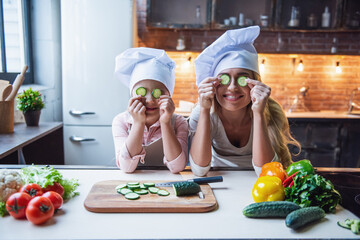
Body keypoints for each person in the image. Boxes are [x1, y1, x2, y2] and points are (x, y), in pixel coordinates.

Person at [189, 26, 300, 176]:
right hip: (219, 182)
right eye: (225, 78)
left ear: (254, 83)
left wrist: (259, 114)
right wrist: (204, 110)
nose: (233, 87)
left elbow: (265, 171)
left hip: (260, 185)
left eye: (242, 79)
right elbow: (199, 169)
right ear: (214, 84)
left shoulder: (270, 111)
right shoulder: (203, 112)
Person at [112, 47, 188, 173]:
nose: (150, 100)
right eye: (142, 92)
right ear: (132, 95)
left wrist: (166, 122)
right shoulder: (121, 121)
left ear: (169, 95)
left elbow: (177, 167)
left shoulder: (179, 122)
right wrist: (138, 123)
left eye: (157, 92)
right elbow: (126, 167)